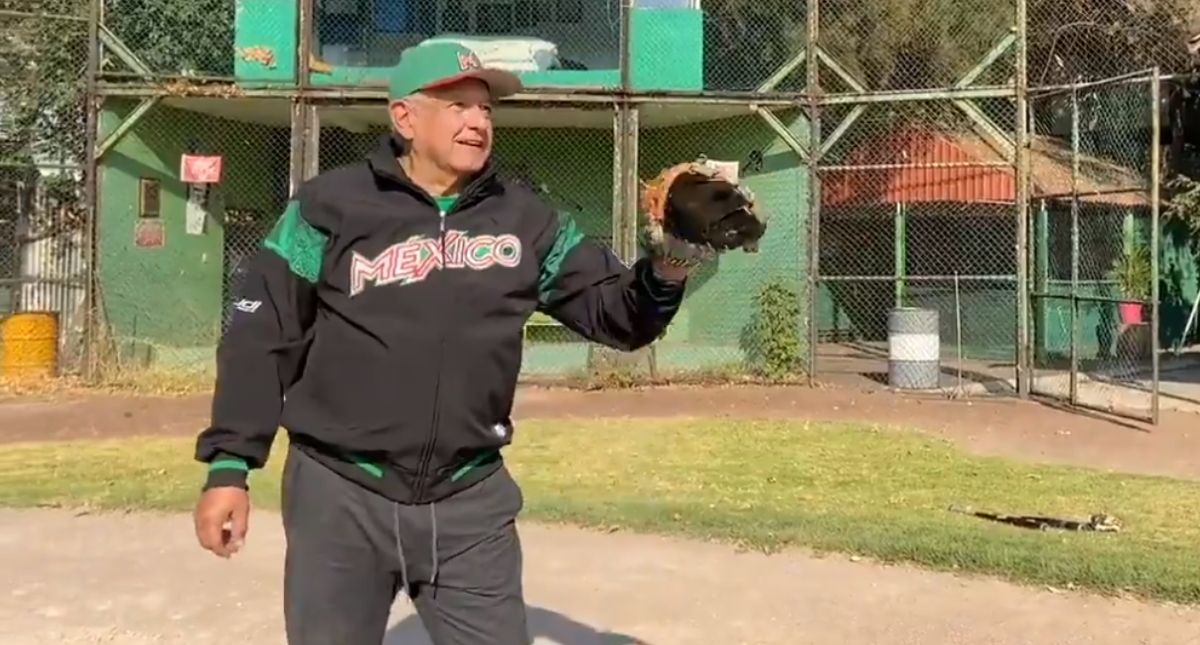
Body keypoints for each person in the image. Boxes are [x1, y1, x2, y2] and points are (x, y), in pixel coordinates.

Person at [191, 42, 692, 645]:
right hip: (341, 492)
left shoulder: (526, 222)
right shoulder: (330, 207)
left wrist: (671, 260)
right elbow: (260, 335)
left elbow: (620, 318)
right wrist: (229, 465)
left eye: (485, 109)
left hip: (469, 497)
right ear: (404, 118)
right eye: (457, 105)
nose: (478, 121)